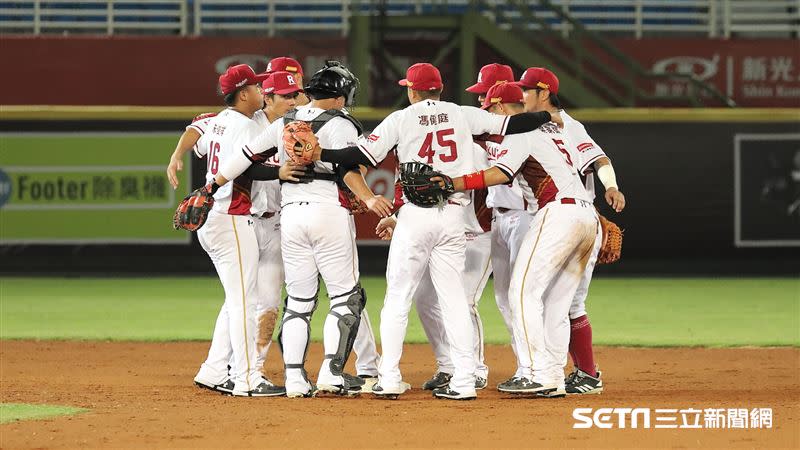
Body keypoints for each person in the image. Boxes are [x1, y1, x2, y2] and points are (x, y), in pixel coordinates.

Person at [298, 62, 560, 400]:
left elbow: (358, 154)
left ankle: (389, 378)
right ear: (439, 88)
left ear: (412, 90)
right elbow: (513, 123)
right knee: (453, 299)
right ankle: (464, 381)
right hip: (453, 215)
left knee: (398, 298)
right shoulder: (462, 113)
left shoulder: (401, 118)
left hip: (415, 216)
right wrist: (546, 116)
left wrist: (321, 153)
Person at [211, 61, 392, 398]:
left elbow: (243, 158)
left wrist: (210, 188)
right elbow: (351, 168)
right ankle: (331, 373)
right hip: (328, 212)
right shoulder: (342, 123)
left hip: (291, 216)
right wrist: (367, 199)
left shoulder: (284, 122)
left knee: (298, 301)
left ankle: (294, 379)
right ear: (339, 97)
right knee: (344, 297)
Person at [440, 81, 601, 397]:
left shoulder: (519, 132)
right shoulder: (554, 131)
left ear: (500, 107)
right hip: (585, 214)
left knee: (522, 292)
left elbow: (500, 173)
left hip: (559, 215)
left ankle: (537, 373)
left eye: (489, 108)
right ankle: (553, 374)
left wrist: (451, 183)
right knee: (555, 303)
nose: (487, 113)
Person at [514, 67, 625, 395]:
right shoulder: (549, 126)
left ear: (543, 92)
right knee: (563, 304)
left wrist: (612, 186)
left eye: (526, 90)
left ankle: (552, 373)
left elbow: (600, 160)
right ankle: (581, 374)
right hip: (578, 222)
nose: (521, 96)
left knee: (545, 298)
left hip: (568, 221)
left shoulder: (569, 126)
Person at [190, 64, 287, 397]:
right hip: (231, 216)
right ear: (244, 93)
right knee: (247, 301)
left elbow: (199, 146)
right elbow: (251, 167)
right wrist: (282, 173)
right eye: (257, 88)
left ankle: (214, 370)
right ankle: (247, 378)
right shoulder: (245, 126)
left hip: (212, 219)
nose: (262, 92)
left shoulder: (217, 122)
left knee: (236, 300)